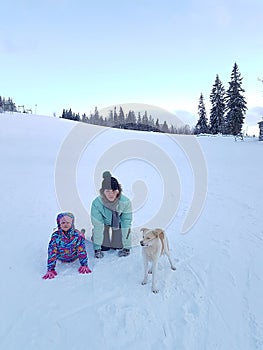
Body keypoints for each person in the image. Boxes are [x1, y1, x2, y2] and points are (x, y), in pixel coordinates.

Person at [91, 171, 132, 258]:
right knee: (104, 247)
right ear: (103, 191)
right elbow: (98, 225)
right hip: (103, 223)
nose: (111, 194)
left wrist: (127, 247)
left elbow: (126, 223)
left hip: (117, 223)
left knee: (117, 246)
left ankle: (117, 238)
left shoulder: (125, 202)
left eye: (114, 190)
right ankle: (95, 236)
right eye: (108, 191)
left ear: (118, 191)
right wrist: (97, 248)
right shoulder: (97, 203)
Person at [42, 212, 92, 279]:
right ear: (59, 224)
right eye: (63, 223)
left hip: (74, 256)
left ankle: (82, 233)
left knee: (80, 236)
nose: (65, 225)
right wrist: (50, 269)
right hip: (61, 257)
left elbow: (81, 250)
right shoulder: (55, 237)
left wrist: (84, 265)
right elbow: (52, 252)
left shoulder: (77, 236)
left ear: (72, 223)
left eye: (68, 223)